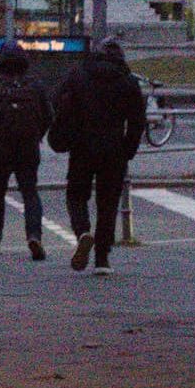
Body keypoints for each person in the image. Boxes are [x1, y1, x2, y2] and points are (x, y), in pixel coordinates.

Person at [49, 37, 146, 276]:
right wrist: (128, 150)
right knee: (108, 203)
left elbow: (57, 100)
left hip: (82, 146)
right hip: (114, 149)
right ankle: (102, 258)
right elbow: (137, 121)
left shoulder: (79, 75)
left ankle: (83, 231)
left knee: (76, 195)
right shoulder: (128, 82)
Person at [0, 48, 53, 260]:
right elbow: (48, 115)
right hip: (28, 146)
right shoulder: (35, 85)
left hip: (1, 147)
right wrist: (37, 135)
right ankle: (34, 235)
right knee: (30, 192)